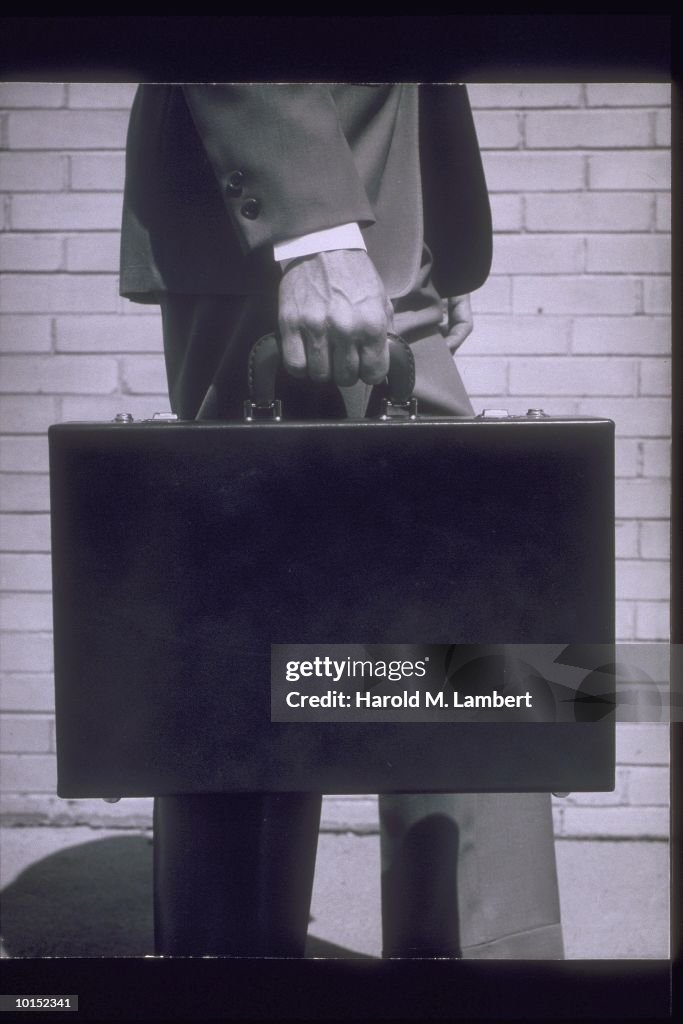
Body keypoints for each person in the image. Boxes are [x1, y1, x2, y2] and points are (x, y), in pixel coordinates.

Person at [119, 83, 564, 958]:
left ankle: (235, 966)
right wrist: (314, 233)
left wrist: (430, 245)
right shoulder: (310, 234)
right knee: (308, 618)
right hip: (296, 218)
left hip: (369, 216)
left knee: (296, 611)